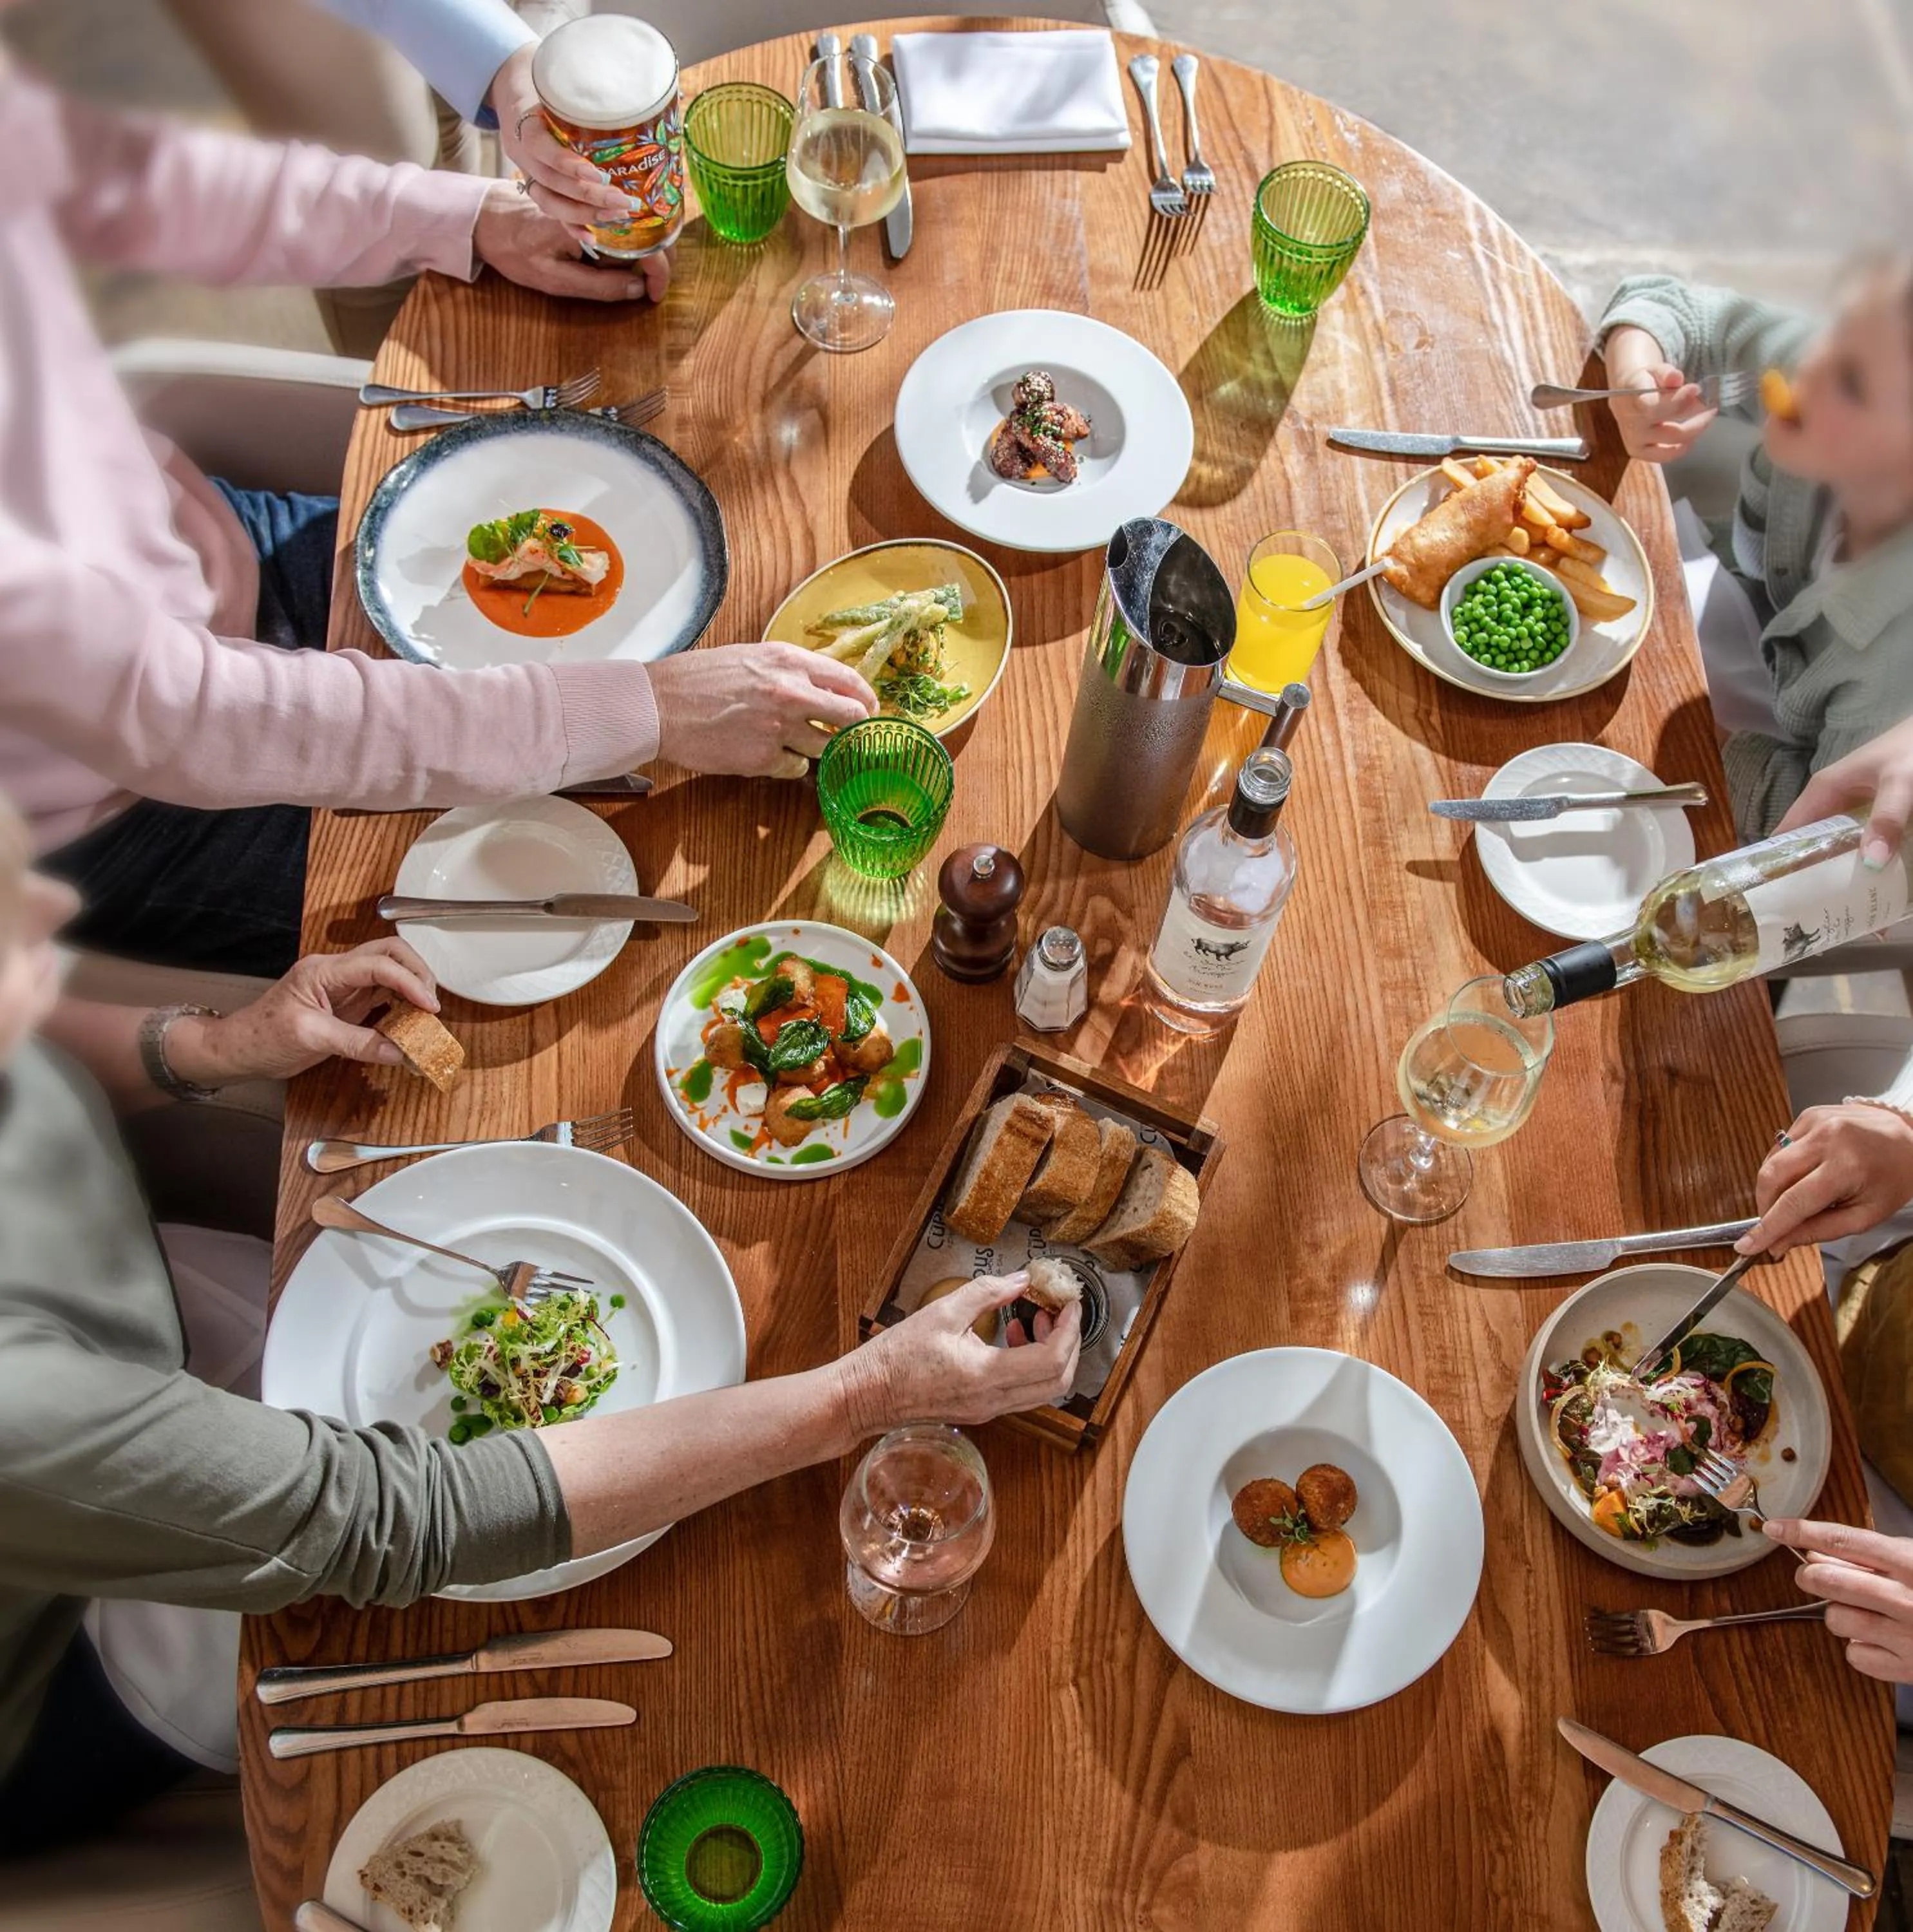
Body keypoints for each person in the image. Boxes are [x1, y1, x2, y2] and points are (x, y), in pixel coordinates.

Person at [0, 793, 1080, 1850]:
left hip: (159, 1318)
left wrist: (213, 1044)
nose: (49, 910)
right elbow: (391, 1515)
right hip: (108, 1627)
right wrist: (872, 1392)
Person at [0, 44, 875, 977]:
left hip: (212, 552)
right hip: (128, 810)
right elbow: (194, 715)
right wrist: (648, 708)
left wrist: (465, 217)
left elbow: (139, 181)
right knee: (575, 944)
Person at [1598, 258, 1913, 840]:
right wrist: (1636, 373)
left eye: (1851, 382)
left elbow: (1811, 829)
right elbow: (1676, 307)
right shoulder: (1840, 359)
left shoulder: (1893, 671)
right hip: (1724, 616)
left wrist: (1690, 734)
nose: (1805, 367)